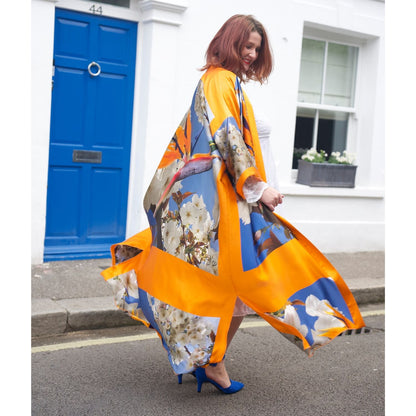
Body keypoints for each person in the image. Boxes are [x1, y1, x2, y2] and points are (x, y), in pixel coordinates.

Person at [102, 14, 365, 395]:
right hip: (224, 206)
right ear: (229, 42)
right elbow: (227, 138)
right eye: (247, 46)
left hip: (222, 205)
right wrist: (258, 188)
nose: (251, 54)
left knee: (229, 286)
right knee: (241, 281)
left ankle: (208, 359)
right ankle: (211, 361)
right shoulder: (219, 80)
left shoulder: (224, 82)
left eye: (256, 49)